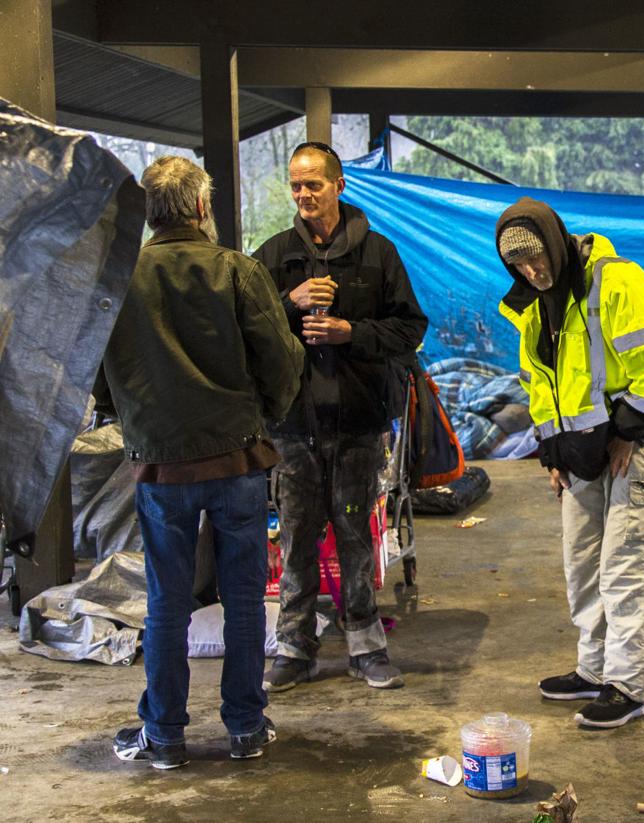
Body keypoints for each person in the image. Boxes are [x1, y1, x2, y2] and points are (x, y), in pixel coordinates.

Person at [97, 156, 304, 769]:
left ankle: (163, 737)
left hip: (160, 468)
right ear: (201, 208)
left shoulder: (122, 276)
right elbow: (281, 359)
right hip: (237, 461)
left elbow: (101, 373)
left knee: (166, 603)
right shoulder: (236, 271)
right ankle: (245, 729)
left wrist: (130, 417)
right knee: (243, 600)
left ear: (151, 212)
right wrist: (263, 419)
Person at [494, 197, 644, 728]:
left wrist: (631, 430)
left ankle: (630, 686)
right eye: (519, 266)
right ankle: (595, 669)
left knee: (626, 571)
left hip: (634, 453)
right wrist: (551, 454)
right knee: (583, 567)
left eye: (537, 259)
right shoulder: (534, 307)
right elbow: (542, 386)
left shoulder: (615, 280)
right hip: (580, 459)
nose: (532, 273)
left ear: (556, 244)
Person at [254, 141, 428, 692]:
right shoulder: (273, 256)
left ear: (339, 186)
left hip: (358, 424)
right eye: (296, 185)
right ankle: (294, 648)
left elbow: (409, 330)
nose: (304, 194)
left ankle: (365, 646)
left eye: (314, 184)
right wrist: (289, 302)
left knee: (356, 534)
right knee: (298, 538)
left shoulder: (379, 255)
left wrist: (351, 332)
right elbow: (247, 332)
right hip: (293, 428)